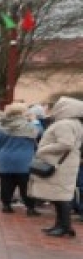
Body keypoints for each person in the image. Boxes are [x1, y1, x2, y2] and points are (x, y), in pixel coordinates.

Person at [28, 96, 83, 238]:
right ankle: (61, 225)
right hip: (65, 163)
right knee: (61, 195)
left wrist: (43, 149)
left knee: (61, 197)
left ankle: (64, 226)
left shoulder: (64, 124)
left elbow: (66, 144)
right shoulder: (75, 123)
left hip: (59, 164)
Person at [0, 102, 41, 215]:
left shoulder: (0, 126)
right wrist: (35, 120)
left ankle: (6, 205)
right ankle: (30, 208)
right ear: (22, 113)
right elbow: (39, 132)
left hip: (5, 159)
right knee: (26, 185)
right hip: (25, 160)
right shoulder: (29, 126)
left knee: (6, 183)